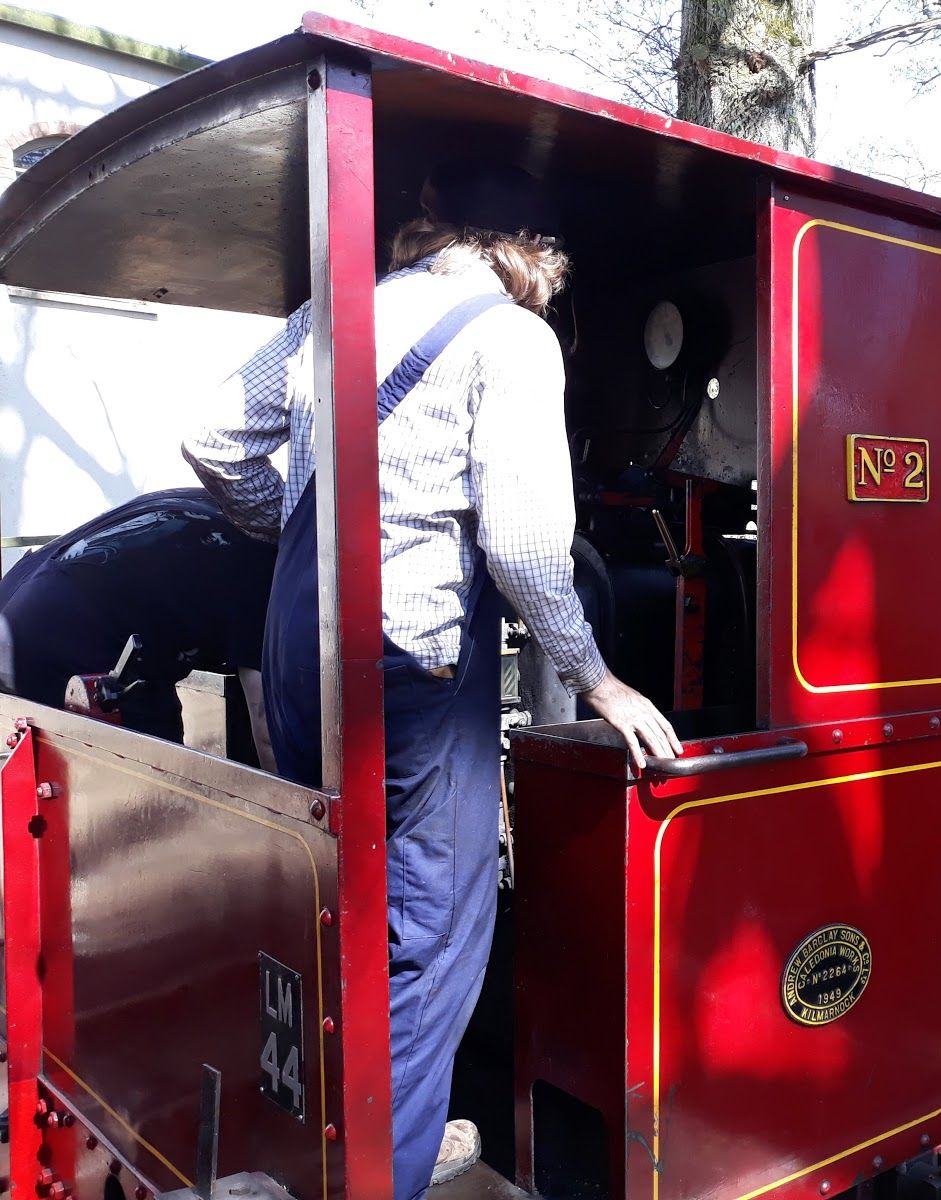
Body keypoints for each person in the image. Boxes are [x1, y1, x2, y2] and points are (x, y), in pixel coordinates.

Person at [183, 158, 680, 1200]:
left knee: (338, 908)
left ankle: (320, 1142)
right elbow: (527, 548)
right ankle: (382, 1178)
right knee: (433, 945)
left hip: (299, 662)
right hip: (414, 675)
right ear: (533, 259)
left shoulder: (337, 313)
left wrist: (303, 541)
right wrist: (600, 682)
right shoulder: (510, 337)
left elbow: (214, 436)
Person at [0, 488, 277, 763]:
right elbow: (267, 724)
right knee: (159, 775)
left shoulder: (235, 506)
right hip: (69, 629)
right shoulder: (267, 569)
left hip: (18, 595)